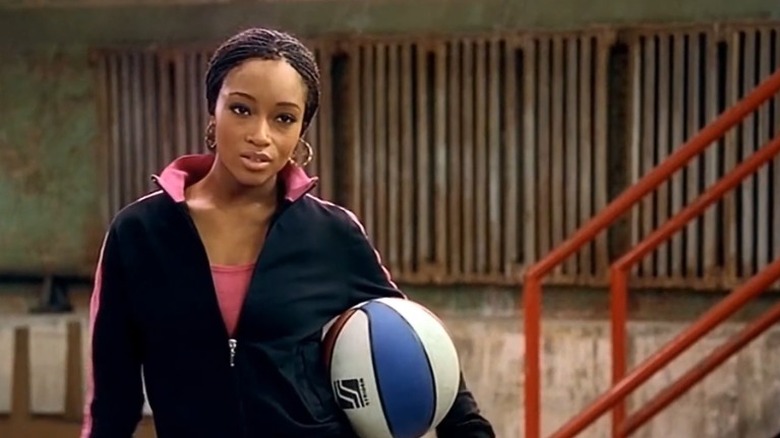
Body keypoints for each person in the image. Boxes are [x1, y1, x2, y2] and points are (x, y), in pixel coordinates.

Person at [81, 27, 495, 438]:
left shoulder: (331, 234)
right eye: (242, 109)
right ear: (214, 109)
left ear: (300, 132)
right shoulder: (139, 233)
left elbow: (415, 341)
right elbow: (112, 400)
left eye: (283, 118)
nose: (260, 136)